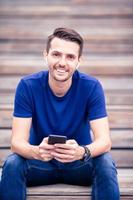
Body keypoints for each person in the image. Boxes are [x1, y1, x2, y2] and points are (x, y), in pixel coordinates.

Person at [0, 27, 120, 200]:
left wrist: (81, 152)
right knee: (12, 163)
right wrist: (36, 152)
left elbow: (104, 141)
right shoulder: (27, 86)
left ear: (78, 61)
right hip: (39, 164)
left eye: (70, 57)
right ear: (45, 55)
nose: (62, 62)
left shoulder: (91, 86)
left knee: (105, 162)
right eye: (56, 54)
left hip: (79, 165)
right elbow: (16, 142)